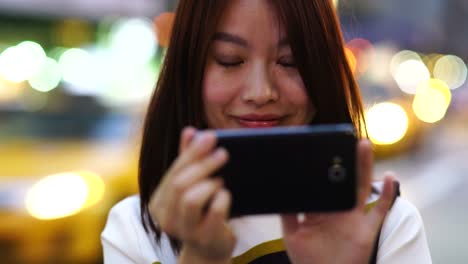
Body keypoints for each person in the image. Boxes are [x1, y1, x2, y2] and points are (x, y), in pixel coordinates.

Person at [101, 0, 432, 263]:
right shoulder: (136, 229)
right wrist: (201, 258)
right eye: (229, 60)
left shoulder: (384, 223)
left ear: (322, 71)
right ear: (188, 72)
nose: (261, 92)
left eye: (290, 62)